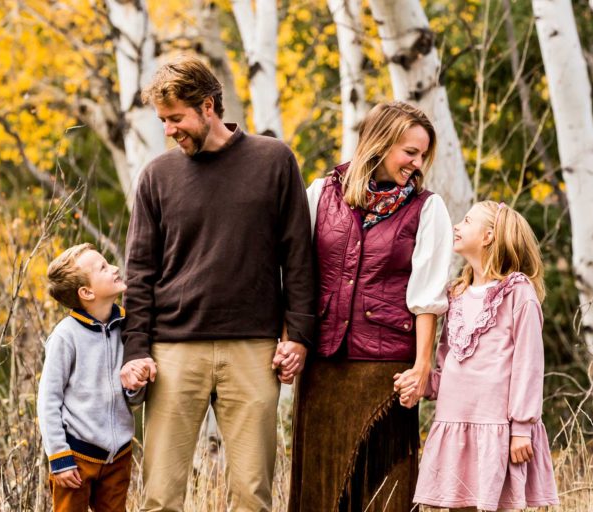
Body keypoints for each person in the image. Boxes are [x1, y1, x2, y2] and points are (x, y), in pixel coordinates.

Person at [119, 56, 315, 512]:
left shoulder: (274, 159)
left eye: (176, 118)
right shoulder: (157, 177)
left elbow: (299, 256)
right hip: (172, 352)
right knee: (160, 497)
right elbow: (140, 273)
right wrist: (136, 349)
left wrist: (300, 335)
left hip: (253, 350)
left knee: (252, 493)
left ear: (208, 106)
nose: (169, 130)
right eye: (163, 121)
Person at [288, 101, 454, 511]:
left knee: (385, 493)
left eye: (422, 156)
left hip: (387, 372)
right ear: (380, 144)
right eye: (409, 152)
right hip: (323, 367)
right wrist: (290, 340)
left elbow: (427, 297)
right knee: (319, 492)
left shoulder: (427, 209)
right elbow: (296, 276)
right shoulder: (320, 194)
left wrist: (420, 368)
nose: (416, 164)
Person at [403, 201, 560, 511]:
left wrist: (522, 430)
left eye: (466, 221)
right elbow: (447, 359)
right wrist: (424, 385)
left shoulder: (518, 293)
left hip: (497, 432)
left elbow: (528, 365)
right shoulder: (456, 294)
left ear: (488, 236)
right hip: (455, 424)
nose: (457, 227)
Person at [37, 243, 147, 512]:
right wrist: (59, 457)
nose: (115, 268)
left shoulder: (127, 326)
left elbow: (132, 395)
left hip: (118, 455)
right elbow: (48, 400)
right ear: (86, 292)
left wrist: (134, 387)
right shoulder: (66, 336)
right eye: (103, 268)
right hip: (76, 457)